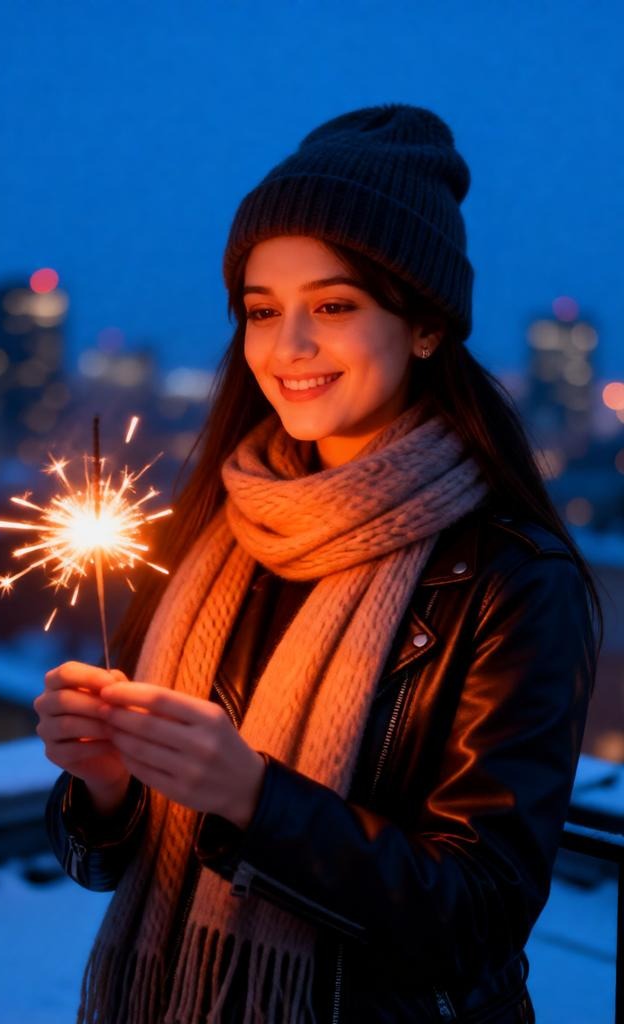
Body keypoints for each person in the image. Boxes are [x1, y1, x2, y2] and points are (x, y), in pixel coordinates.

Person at [37, 103, 601, 1024]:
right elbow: (103, 863)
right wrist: (101, 785)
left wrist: (255, 801)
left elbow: (480, 918)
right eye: (263, 311)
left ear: (423, 326)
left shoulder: (511, 578)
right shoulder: (209, 535)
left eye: (333, 306)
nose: (288, 347)